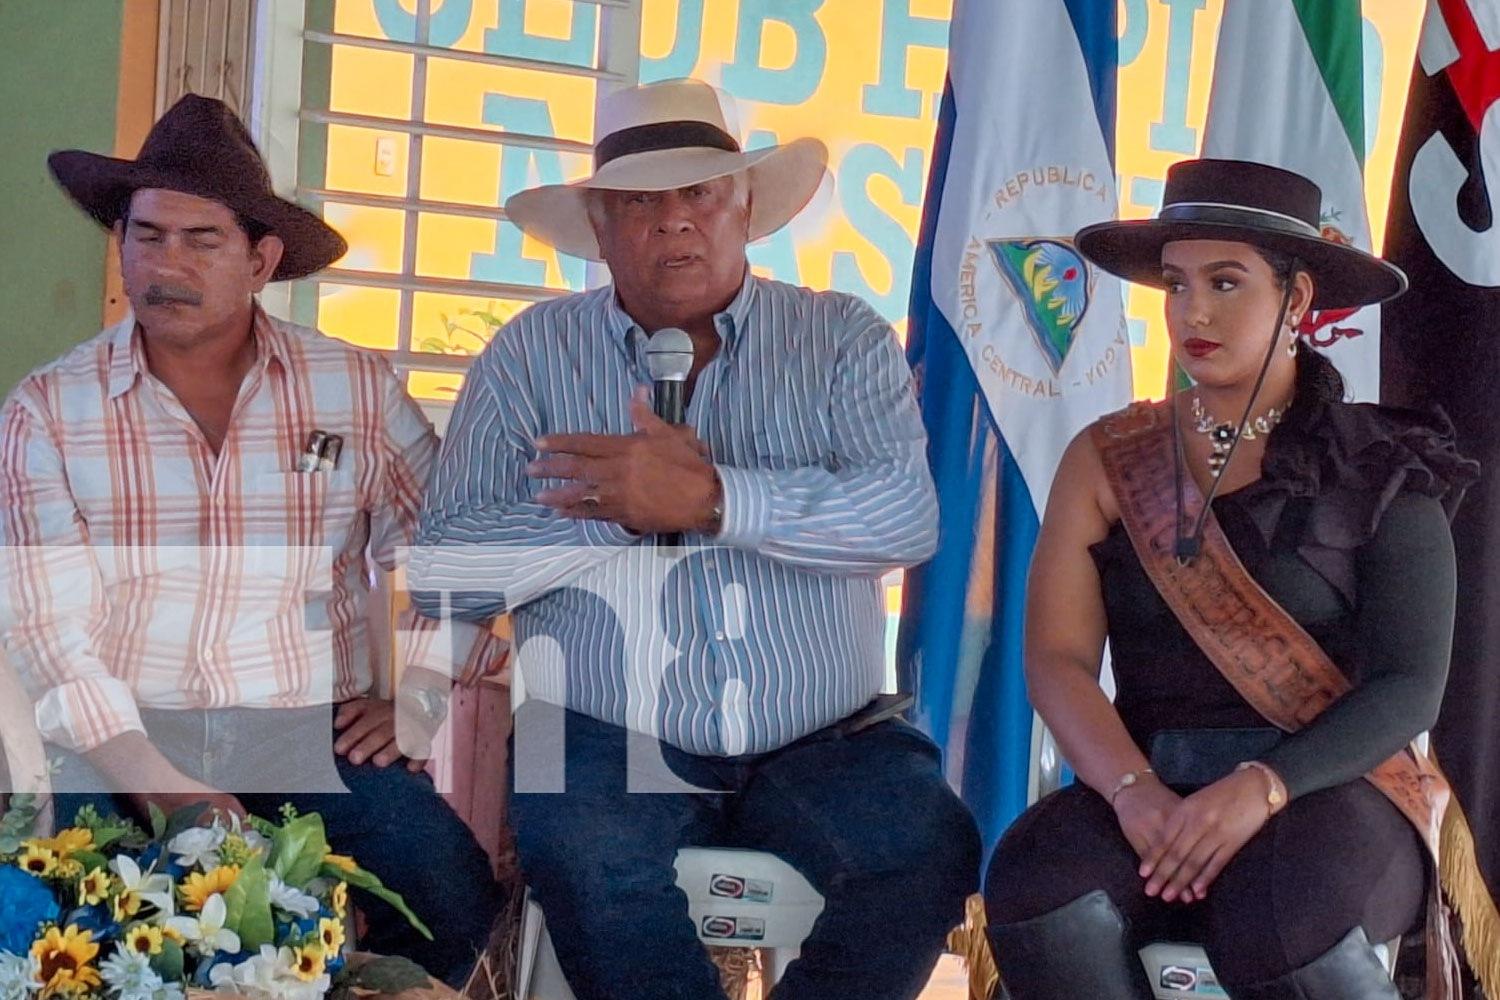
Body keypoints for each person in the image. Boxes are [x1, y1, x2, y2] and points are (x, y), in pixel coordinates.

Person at [410, 78, 980, 1000]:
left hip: (824, 733)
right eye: (640, 201)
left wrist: (717, 498)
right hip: (607, 729)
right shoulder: (528, 355)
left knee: (924, 850)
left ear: (746, 208)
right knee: (590, 857)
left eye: (699, 193)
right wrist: (611, 513)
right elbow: (447, 572)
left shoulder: (838, 338)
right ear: (599, 226)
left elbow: (904, 521)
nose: (673, 221)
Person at [0, 94, 507, 985]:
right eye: (146, 235)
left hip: (307, 731)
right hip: (119, 735)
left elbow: (444, 543)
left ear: (262, 259)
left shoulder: (349, 387)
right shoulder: (47, 410)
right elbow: (48, 635)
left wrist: (421, 697)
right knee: (67, 927)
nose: (166, 264)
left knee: (450, 894)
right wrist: (169, 789)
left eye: (202, 240)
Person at [982, 159, 1478, 999]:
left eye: (1225, 282)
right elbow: (1058, 658)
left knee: (1280, 915)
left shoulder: (1383, 467)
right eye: (1176, 285)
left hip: (1335, 792)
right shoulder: (1108, 458)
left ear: (1297, 298)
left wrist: (1262, 788)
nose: (1194, 311)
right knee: (1040, 886)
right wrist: (1134, 794)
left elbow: (1407, 686)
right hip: (1145, 784)